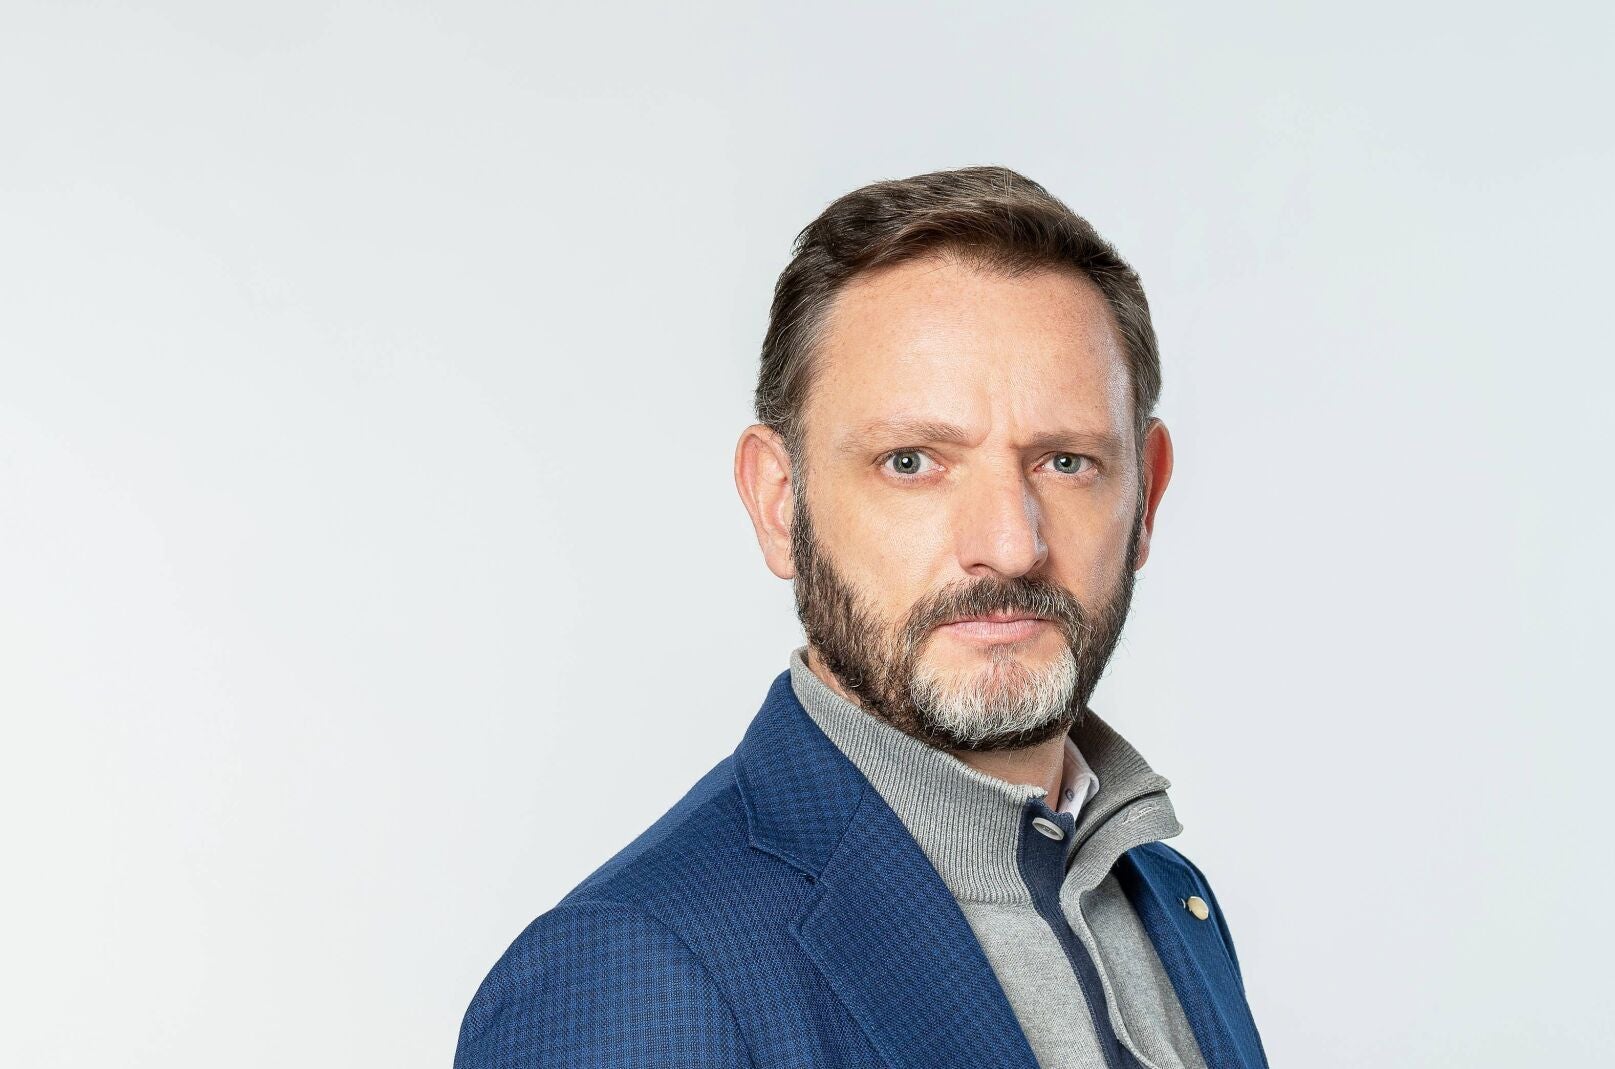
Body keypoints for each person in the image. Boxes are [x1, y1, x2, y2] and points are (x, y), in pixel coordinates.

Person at [454, 166, 1270, 1069]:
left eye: (1066, 462)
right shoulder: (634, 972)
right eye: (912, 461)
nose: (1010, 544)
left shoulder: (1165, 898)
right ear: (780, 502)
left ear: (1147, 495)